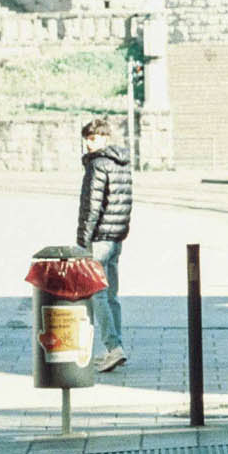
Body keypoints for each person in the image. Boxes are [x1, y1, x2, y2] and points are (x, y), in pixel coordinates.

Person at [76, 115, 134, 373]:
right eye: (87, 139)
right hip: (116, 237)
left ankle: (113, 347)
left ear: (104, 138)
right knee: (111, 296)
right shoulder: (121, 163)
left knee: (97, 294)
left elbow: (91, 206)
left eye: (93, 138)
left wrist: (82, 241)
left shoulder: (98, 164)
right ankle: (115, 346)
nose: (89, 143)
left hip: (99, 237)